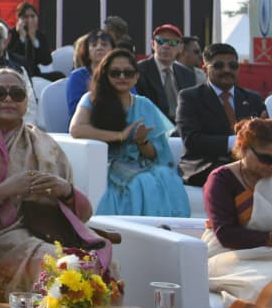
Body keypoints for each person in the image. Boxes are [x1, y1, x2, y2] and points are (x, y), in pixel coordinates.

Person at [0, 67, 108, 292]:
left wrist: (65, 191)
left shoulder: (44, 143)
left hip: (48, 232)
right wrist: (0, 192)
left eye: (17, 94)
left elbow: (82, 214)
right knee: (64, 266)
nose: (8, 99)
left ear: (26, 102)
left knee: (99, 263)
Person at [69, 48, 190, 215]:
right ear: (105, 75)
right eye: (115, 73)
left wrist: (142, 142)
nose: (122, 77)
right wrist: (119, 136)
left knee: (166, 177)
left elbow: (155, 154)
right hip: (108, 164)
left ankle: (162, 228)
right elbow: (76, 129)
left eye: (128, 73)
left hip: (142, 163)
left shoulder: (144, 104)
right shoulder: (91, 99)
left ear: (136, 76)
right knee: (143, 181)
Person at [203, 117, 272, 308]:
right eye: (266, 159)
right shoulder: (221, 179)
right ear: (243, 147)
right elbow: (226, 234)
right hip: (229, 256)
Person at [178, 43, 267, 187]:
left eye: (232, 65)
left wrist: (266, 130)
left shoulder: (253, 99)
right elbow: (191, 140)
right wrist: (237, 142)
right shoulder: (190, 97)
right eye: (219, 65)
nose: (227, 70)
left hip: (249, 163)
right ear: (205, 68)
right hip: (205, 165)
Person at [135, 24, 199, 123]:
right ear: (153, 44)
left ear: (180, 47)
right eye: (160, 41)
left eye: (172, 42)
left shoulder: (187, 74)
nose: (165, 46)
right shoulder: (139, 71)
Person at [65, 29, 115, 122]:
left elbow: (133, 103)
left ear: (113, 50)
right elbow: (75, 110)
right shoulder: (77, 76)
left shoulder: (122, 74)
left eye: (104, 44)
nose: (99, 47)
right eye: (94, 45)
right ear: (87, 52)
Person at [8, 1, 63, 81]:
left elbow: (47, 61)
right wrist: (22, 38)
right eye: (25, 17)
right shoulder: (12, 34)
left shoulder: (40, 35)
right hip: (17, 73)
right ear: (19, 19)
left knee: (59, 76)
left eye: (32, 16)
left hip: (35, 74)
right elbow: (11, 57)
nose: (30, 20)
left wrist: (34, 40)